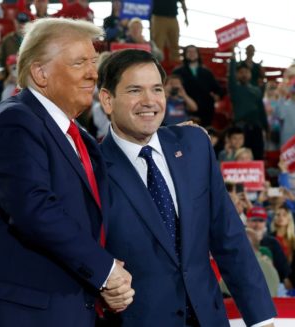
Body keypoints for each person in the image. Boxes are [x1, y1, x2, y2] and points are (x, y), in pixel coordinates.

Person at [0, 18, 134, 327]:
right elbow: (35, 209)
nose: (92, 73)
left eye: (94, 62)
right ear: (40, 73)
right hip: (14, 314)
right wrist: (106, 271)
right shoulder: (15, 120)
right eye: (79, 62)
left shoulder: (80, 139)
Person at [98, 49, 275, 327]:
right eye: (135, 90)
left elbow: (229, 237)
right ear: (107, 100)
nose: (149, 101)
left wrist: (262, 318)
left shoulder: (194, 145)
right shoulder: (89, 168)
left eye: (157, 89)